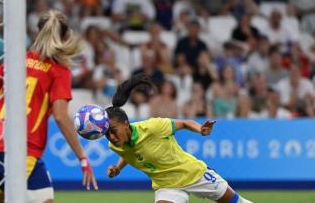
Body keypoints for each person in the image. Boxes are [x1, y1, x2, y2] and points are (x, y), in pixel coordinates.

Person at [0, 10, 98, 203]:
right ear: (64, 37)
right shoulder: (59, 70)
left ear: (37, 33)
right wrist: (82, 157)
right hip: (22, 149)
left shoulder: (15, 61)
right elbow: (61, 117)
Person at [103, 74, 252, 203]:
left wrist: (200, 129)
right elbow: (128, 153)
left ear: (126, 123)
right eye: (107, 133)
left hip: (192, 173)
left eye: (113, 131)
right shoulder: (115, 144)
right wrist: (118, 168)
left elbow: (184, 123)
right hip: (167, 185)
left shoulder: (153, 127)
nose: (111, 137)